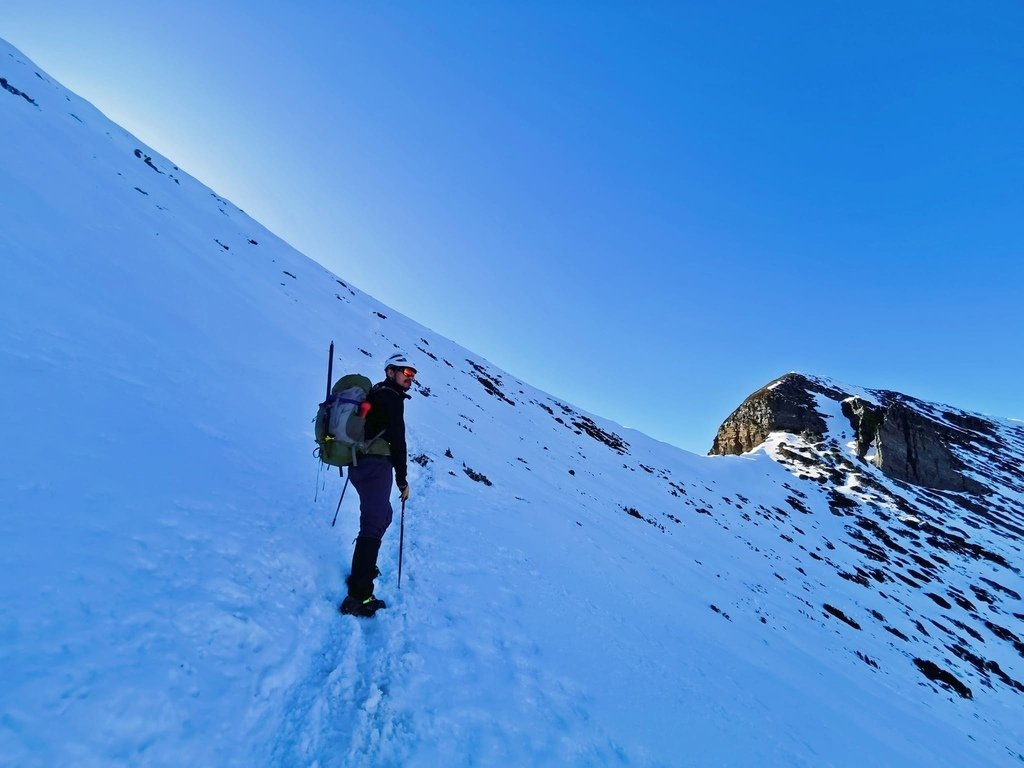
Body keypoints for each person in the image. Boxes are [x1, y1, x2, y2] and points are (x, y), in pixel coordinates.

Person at [340, 352, 416, 617]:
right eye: (406, 372)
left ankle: (364, 567)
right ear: (390, 371)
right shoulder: (391, 397)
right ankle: (358, 596)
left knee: (383, 516)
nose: (410, 378)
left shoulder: (376, 393)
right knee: (373, 524)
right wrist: (403, 480)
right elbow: (398, 439)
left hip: (360, 465)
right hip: (375, 466)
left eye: (413, 374)